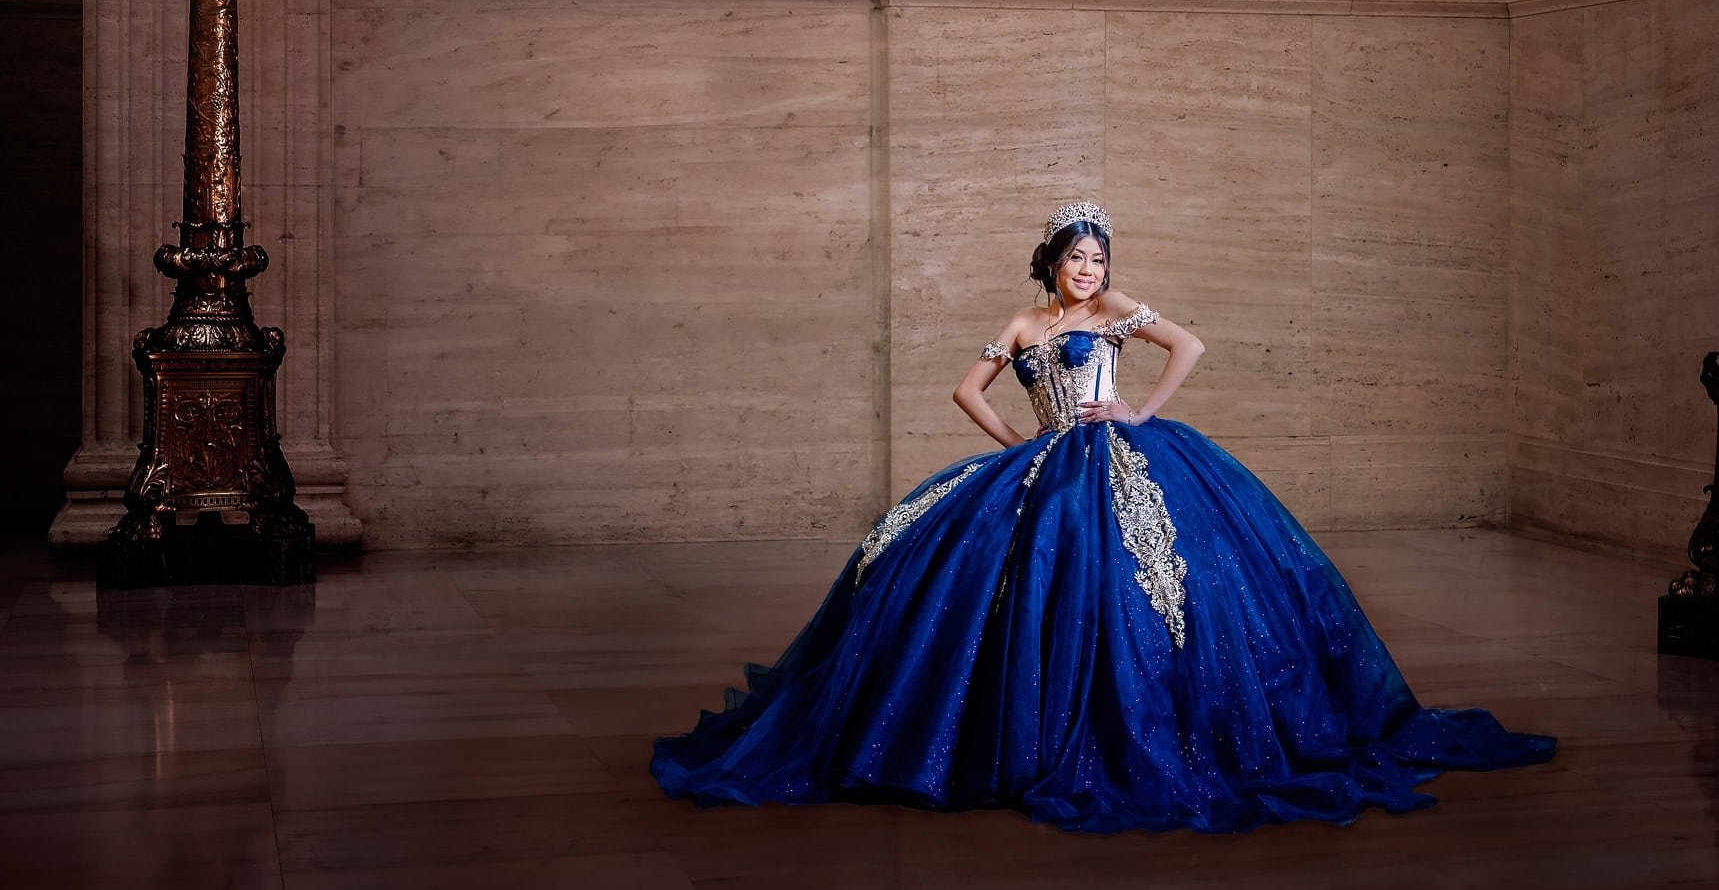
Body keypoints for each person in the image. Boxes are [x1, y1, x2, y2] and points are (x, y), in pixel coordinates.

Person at [651, 202, 1555, 833]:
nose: (1092, 270)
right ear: (1052, 262)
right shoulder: (1021, 322)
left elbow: (1189, 344)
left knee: (1150, 587)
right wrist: (1016, 442)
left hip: (1122, 454)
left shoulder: (1116, 312)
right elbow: (965, 389)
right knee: (969, 579)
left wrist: (1139, 411)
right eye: (1079, 258)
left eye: (1100, 258)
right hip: (1046, 460)